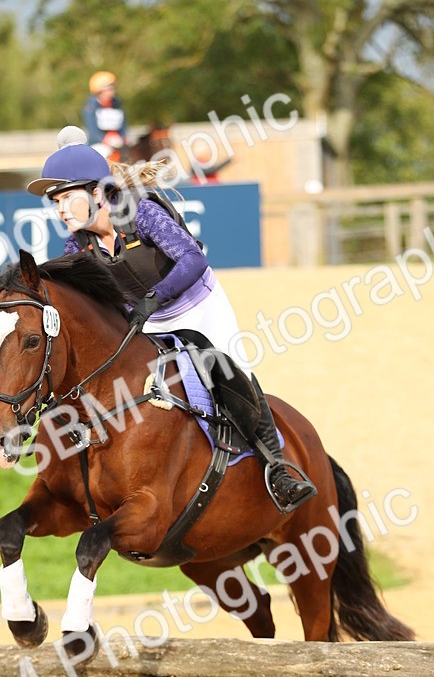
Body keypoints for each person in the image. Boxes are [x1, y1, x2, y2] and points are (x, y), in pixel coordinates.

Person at [27, 130, 316, 512]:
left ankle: (276, 467)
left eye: (66, 198)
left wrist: (153, 299)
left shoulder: (139, 211)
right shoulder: (76, 245)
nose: (60, 209)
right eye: (55, 202)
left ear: (97, 193)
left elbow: (193, 260)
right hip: (147, 317)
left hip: (197, 305)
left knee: (226, 370)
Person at [82, 71, 128, 155]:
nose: (111, 92)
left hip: (118, 142)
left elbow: (123, 125)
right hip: (99, 144)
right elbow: (93, 131)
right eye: (107, 90)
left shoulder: (117, 104)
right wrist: (105, 140)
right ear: (99, 92)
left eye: (112, 89)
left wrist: (123, 137)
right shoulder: (90, 108)